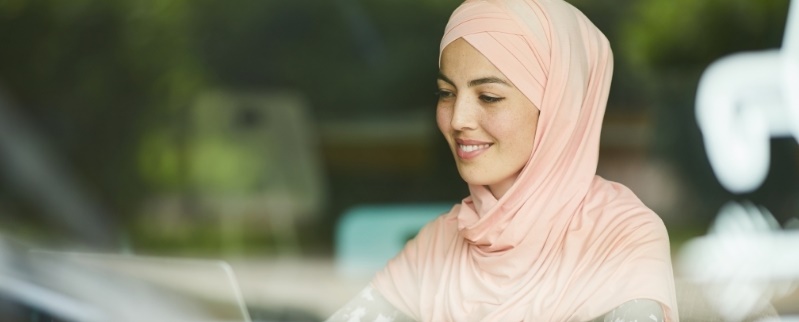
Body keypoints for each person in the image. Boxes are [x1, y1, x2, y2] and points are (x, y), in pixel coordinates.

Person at [326, 0, 678, 320]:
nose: (459, 118)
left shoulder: (619, 237)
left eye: (489, 96)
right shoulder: (439, 242)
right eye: (446, 93)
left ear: (559, 107)